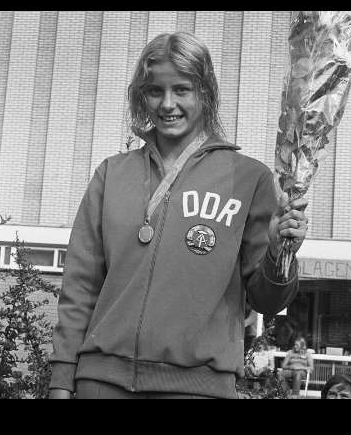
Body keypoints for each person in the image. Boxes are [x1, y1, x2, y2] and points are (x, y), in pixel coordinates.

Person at [47, 32, 309, 399]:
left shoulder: (248, 179)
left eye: (182, 90)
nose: (167, 104)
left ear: (205, 92)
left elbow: (268, 301)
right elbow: (80, 285)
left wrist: (281, 255)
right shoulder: (112, 174)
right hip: (102, 383)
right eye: (155, 91)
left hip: (198, 388)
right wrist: (62, 378)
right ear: (142, 96)